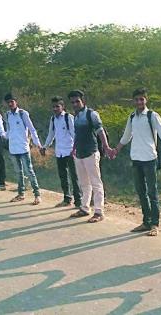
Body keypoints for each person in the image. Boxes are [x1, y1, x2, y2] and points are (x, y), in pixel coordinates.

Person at [112, 88, 161, 236]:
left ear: (146, 100)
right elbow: (126, 137)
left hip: (149, 159)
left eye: (142, 99)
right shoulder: (132, 117)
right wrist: (116, 150)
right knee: (141, 192)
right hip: (136, 159)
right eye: (137, 99)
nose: (139, 102)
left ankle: (154, 224)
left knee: (152, 192)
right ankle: (146, 222)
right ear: (133, 101)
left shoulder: (152, 116)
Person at [68, 89, 112, 223]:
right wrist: (74, 149)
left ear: (83, 101)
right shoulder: (75, 116)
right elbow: (76, 135)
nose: (75, 104)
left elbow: (100, 131)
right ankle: (85, 207)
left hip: (91, 152)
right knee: (84, 183)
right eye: (73, 102)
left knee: (96, 182)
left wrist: (106, 147)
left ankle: (99, 211)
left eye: (77, 101)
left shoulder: (91, 114)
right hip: (79, 153)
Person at [41, 96, 81, 208]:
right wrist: (45, 146)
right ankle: (67, 199)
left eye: (57, 106)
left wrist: (76, 148)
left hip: (70, 151)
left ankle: (78, 201)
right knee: (63, 176)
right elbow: (51, 134)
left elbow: (74, 134)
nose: (55, 109)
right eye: (53, 107)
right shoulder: (53, 119)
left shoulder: (69, 118)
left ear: (62, 107)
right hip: (59, 152)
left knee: (74, 177)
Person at [4, 93, 42, 205]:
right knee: (18, 172)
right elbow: (9, 131)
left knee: (29, 171)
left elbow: (32, 129)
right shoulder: (7, 115)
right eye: (8, 102)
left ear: (16, 101)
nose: (10, 104)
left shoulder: (22, 114)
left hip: (23, 147)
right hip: (13, 148)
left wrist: (37, 144)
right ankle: (21, 194)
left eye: (12, 101)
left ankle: (37, 194)